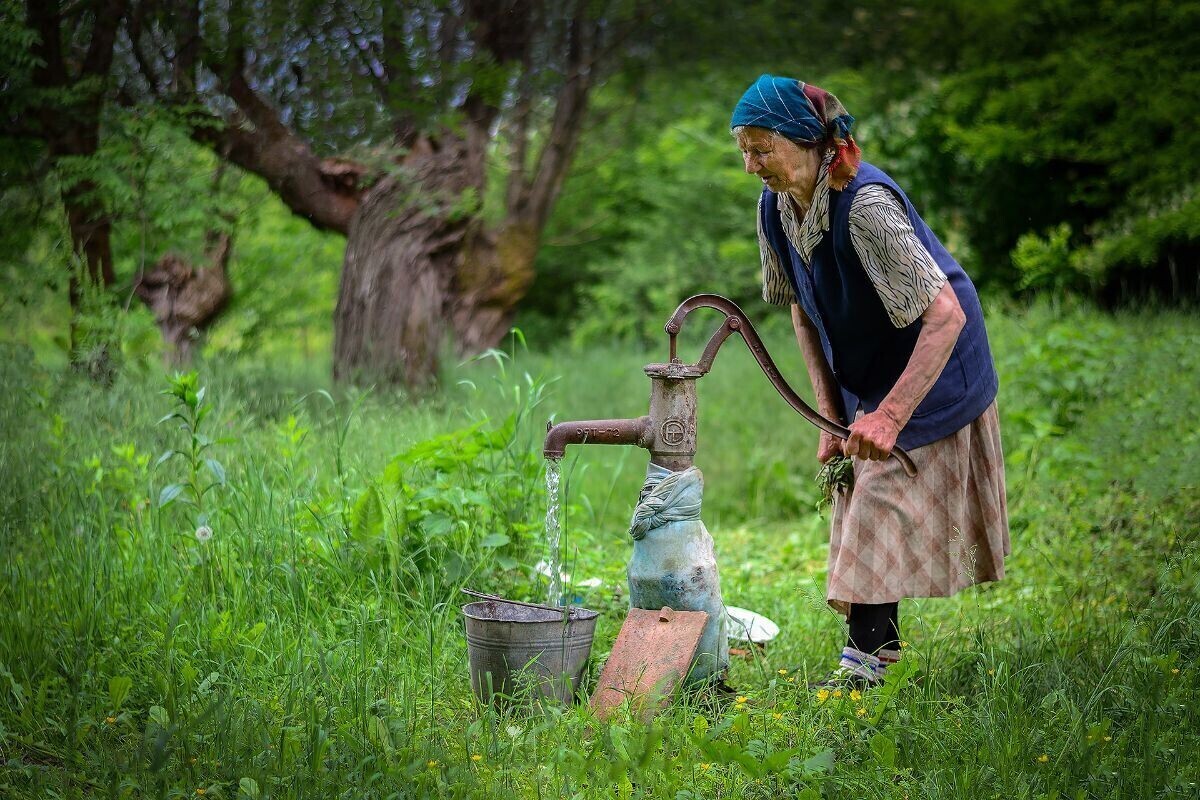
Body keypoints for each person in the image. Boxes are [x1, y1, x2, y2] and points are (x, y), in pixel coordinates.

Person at [730, 74, 1010, 688]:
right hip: (871, 368)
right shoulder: (775, 208)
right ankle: (879, 651)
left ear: (805, 140)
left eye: (761, 149)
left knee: (878, 496)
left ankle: (862, 670)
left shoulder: (865, 207)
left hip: (938, 363)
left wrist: (890, 415)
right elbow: (802, 308)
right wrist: (830, 417)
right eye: (743, 151)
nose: (751, 166)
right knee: (859, 490)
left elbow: (945, 314)